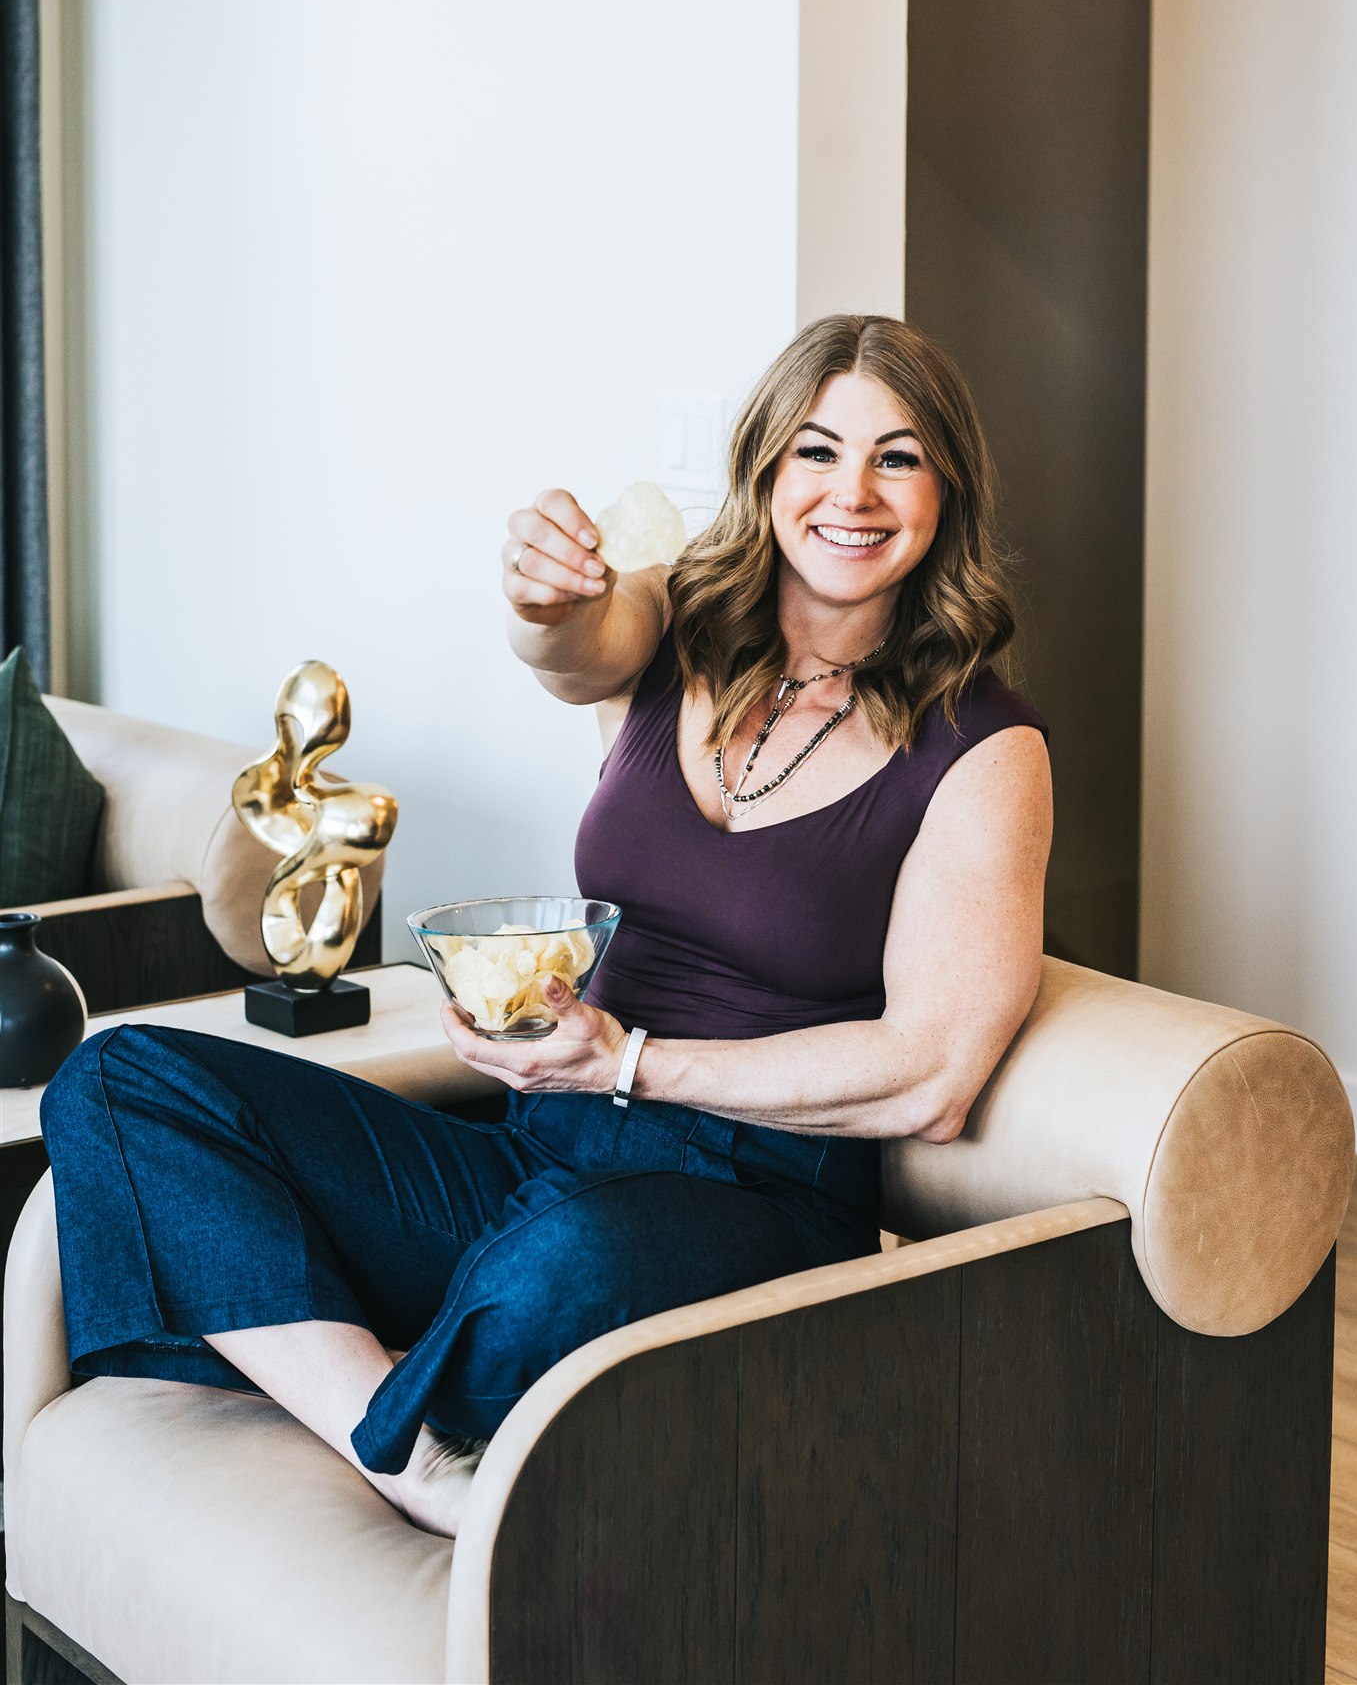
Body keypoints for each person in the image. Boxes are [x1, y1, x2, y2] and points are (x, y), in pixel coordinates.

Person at [39, 314, 1051, 1539]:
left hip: (757, 1196)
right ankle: (409, 1447)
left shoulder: (985, 748)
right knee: (117, 1079)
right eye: (817, 450)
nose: (853, 492)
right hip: (543, 1151)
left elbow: (932, 1074)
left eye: (898, 457)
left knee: (564, 1262)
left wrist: (632, 1060)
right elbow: (572, 645)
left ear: (948, 491)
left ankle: (357, 1343)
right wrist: (538, 592)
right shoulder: (679, 621)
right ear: (765, 468)